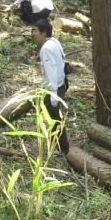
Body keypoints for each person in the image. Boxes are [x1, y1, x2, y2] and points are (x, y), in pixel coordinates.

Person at [32, 18, 69, 155]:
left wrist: (53, 94)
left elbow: (51, 70)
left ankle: (63, 148)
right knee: (53, 118)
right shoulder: (54, 42)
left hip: (54, 89)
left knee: (55, 120)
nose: (34, 34)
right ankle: (57, 144)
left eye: (36, 31)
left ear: (43, 33)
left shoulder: (46, 48)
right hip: (61, 85)